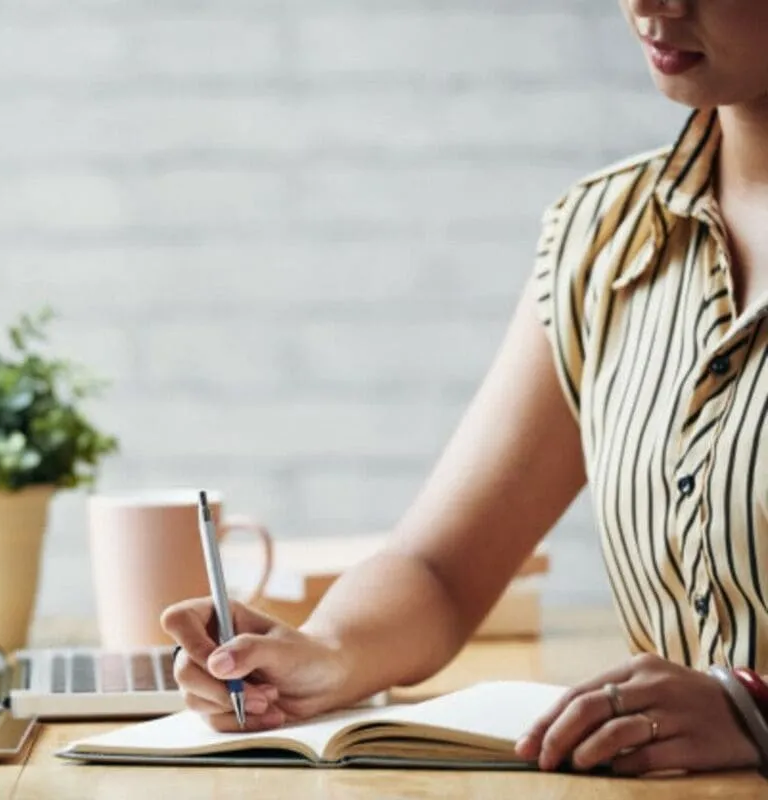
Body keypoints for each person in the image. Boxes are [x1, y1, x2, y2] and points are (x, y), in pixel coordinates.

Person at [161, 0, 768, 777]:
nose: (651, 4)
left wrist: (752, 707)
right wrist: (325, 654)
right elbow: (440, 572)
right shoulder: (607, 237)